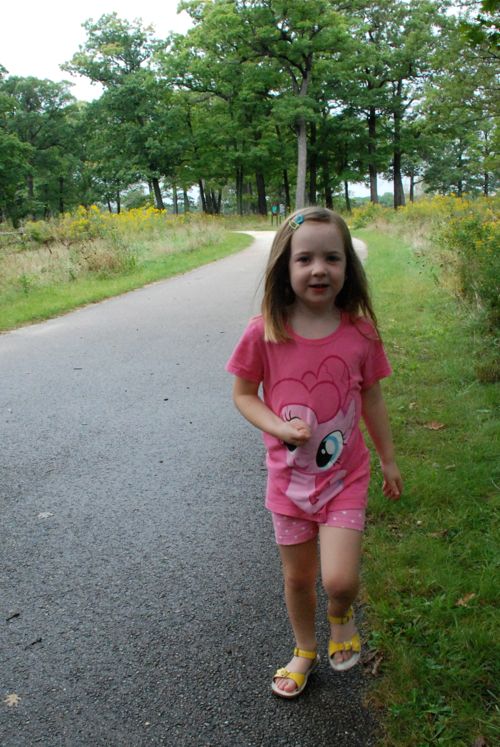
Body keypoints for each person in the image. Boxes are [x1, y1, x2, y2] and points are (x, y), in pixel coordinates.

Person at [226, 206, 403, 699]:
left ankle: (340, 614)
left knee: (339, 580)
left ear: (349, 266)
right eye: (304, 259)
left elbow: (372, 398)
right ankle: (304, 650)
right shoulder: (264, 331)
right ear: (285, 266)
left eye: (332, 258)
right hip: (288, 484)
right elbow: (244, 395)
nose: (319, 269)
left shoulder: (360, 333)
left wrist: (388, 458)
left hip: (345, 478)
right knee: (299, 577)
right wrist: (279, 426)